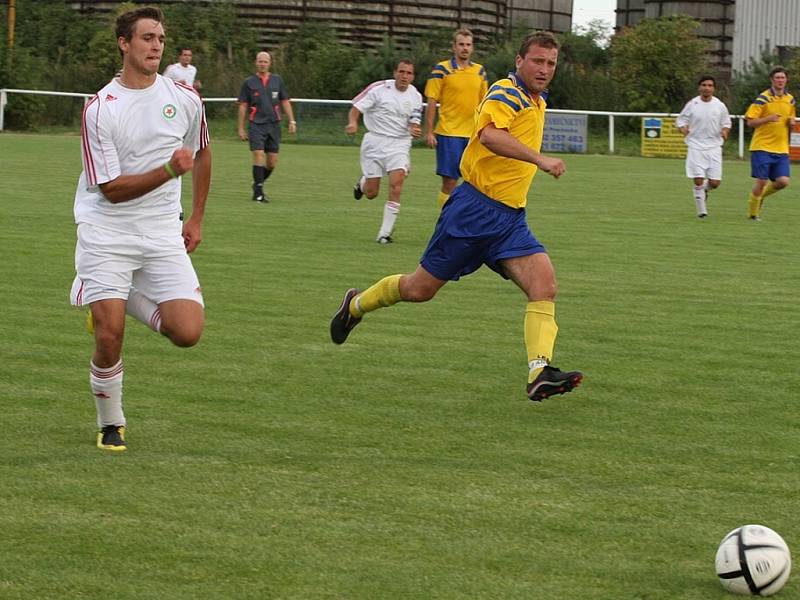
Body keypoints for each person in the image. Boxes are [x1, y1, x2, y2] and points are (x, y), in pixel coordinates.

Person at [331, 32, 582, 402]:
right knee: (419, 289)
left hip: (510, 219)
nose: (544, 69)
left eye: (551, 64)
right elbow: (491, 136)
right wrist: (539, 158)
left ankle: (539, 371)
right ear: (519, 61)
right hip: (474, 211)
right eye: (538, 61)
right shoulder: (505, 93)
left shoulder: (537, 99)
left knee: (544, 285)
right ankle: (355, 305)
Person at [69, 6, 212, 451]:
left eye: (161, 38)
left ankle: (108, 293)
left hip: (162, 232)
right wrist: (169, 170)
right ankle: (111, 421)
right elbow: (110, 189)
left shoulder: (185, 97)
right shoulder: (99, 108)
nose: (156, 45)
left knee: (187, 332)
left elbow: (203, 153)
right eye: (147, 37)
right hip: (106, 231)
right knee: (109, 334)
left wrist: (196, 216)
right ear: (124, 44)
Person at [347, 59, 423, 244]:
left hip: (399, 145)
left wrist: (414, 128)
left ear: (413, 76)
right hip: (375, 142)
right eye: (402, 72)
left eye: (409, 73)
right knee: (372, 193)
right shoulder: (379, 88)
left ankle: (384, 234)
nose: (405, 76)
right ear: (395, 72)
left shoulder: (416, 96)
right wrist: (353, 122)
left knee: (397, 184)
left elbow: (414, 120)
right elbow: (356, 107)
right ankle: (363, 183)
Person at [424, 29, 488, 208]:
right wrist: (429, 131)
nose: (465, 48)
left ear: (472, 48)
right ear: (454, 47)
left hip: (473, 136)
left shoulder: (480, 72)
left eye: (468, 45)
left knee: (476, 183)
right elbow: (431, 100)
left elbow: (485, 104)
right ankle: (445, 223)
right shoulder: (442, 69)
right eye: (461, 44)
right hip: (448, 132)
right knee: (450, 183)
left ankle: (467, 224)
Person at [237, 51, 296, 203]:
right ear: (256, 63)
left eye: (265, 61)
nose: (262, 64)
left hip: (274, 125)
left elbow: (285, 101)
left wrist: (291, 121)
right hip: (256, 124)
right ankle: (258, 193)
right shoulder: (249, 83)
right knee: (258, 155)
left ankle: (257, 184)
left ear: (269, 63)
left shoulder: (277, 80)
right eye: (260, 61)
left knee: (271, 162)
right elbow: (243, 106)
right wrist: (241, 128)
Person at [744, 66, 797, 221]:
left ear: (786, 80)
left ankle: (760, 197)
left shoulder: (790, 100)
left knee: (783, 181)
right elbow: (750, 122)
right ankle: (753, 215)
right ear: (772, 80)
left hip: (781, 148)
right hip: (762, 147)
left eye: (783, 77)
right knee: (761, 181)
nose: (780, 80)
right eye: (777, 78)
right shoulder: (763, 98)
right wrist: (768, 118)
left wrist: (791, 123)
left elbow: (790, 119)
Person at [675, 75, 731, 218]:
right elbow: (681, 120)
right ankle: (702, 212)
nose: (707, 88)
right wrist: (683, 129)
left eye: (710, 85)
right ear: (699, 87)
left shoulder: (720, 105)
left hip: (714, 147)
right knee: (698, 178)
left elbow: (726, 123)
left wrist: (725, 131)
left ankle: (705, 190)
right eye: (704, 85)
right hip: (695, 145)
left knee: (715, 183)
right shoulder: (692, 104)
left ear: (714, 88)